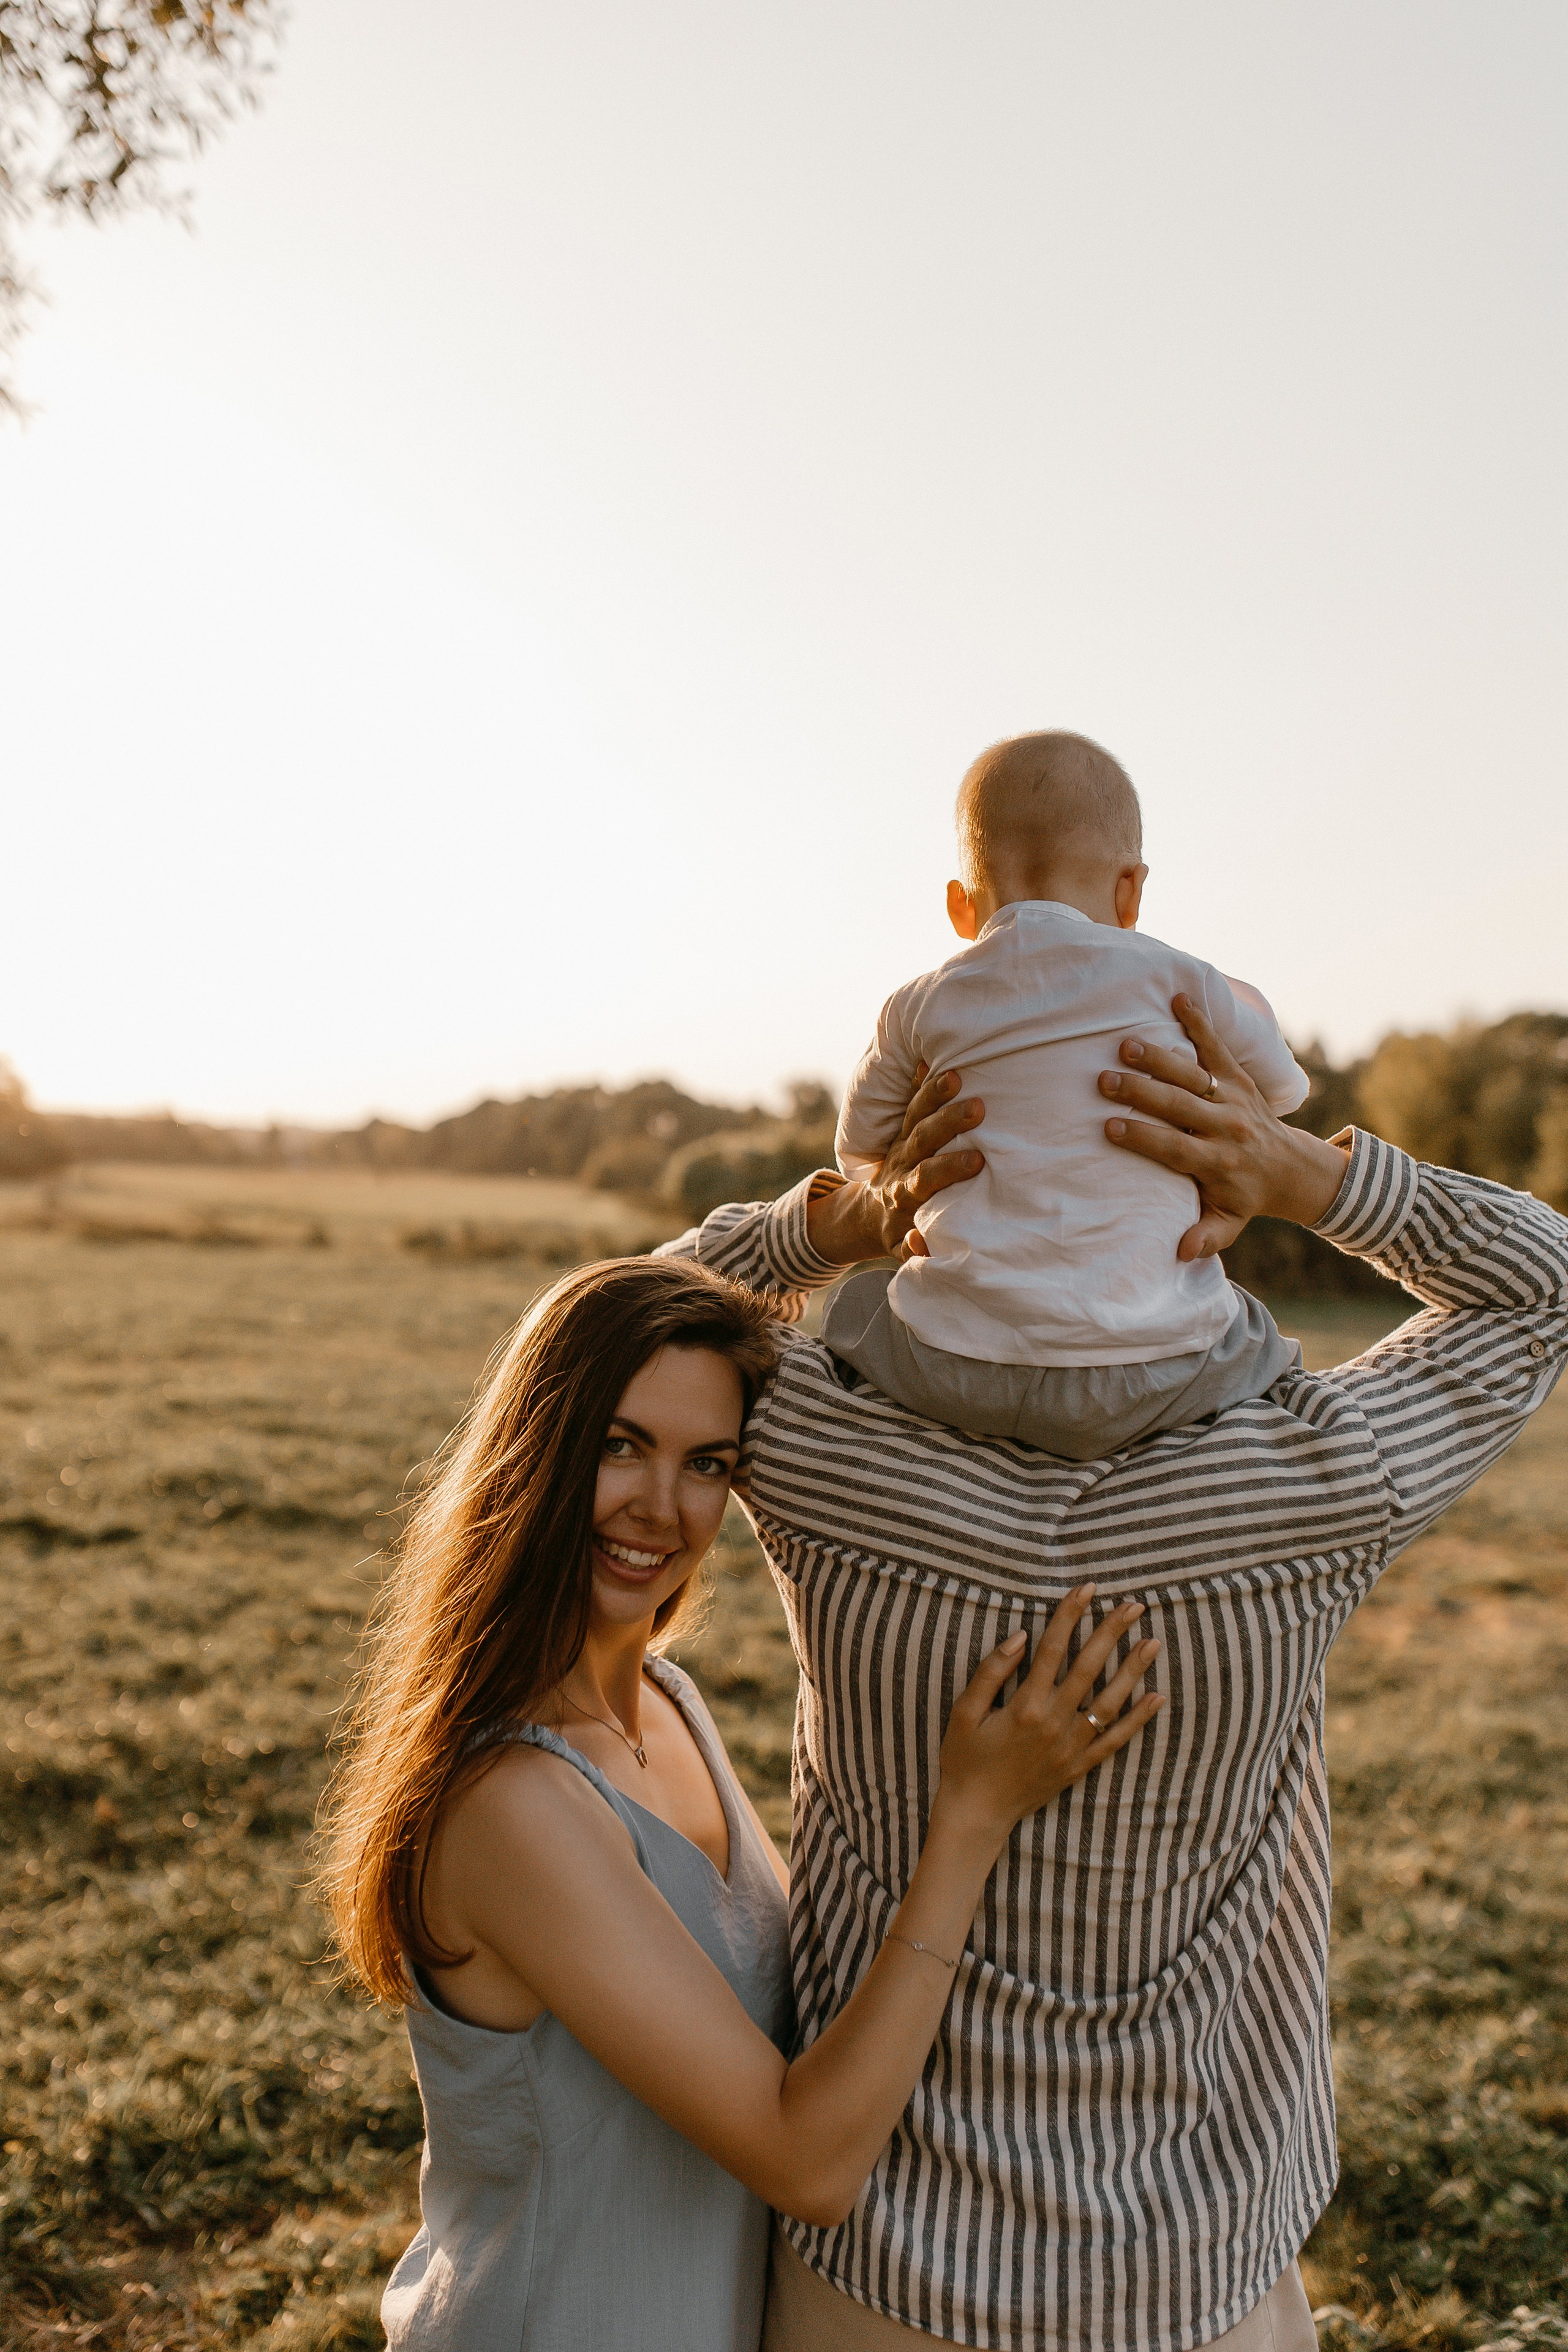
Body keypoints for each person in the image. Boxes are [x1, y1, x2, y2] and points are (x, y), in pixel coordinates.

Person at [660, 997, 1567, 2351]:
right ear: (1183, 1203)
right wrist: (1307, 1175)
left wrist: (836, 1218)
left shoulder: (823, 1462)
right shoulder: (1306, 1487)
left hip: (881, 2272)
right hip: (1188, 2267)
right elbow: (1541, 1282)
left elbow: (639, 1313)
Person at [318, 1254, 1160, 2351]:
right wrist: (972, 1818)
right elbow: (805, 2159)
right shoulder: (509, 1804)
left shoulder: (667, 1706)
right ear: (539, 1446)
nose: (662, 1509)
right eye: (619, 1446)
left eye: (706, 1462)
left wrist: (842, 1227)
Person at [833, 729, 1311, 1457]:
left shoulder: (920, 1002)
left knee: (856, 1309)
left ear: (961, 907)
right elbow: (1281, 1092)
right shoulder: (1180, 978)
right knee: (1255, 1332)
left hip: (956, 1365)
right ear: (1130, 891)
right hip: (1158, 1366)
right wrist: (1244, 1001)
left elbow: (859, 1150)